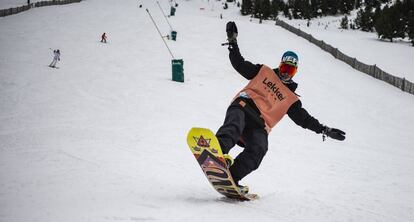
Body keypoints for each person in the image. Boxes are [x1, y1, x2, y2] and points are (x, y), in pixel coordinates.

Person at [216, 22, 346, 194]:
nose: (285, 73)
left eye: (290, 70)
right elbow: (239, 64)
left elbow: (304, 119)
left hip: (260, 124)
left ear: (295, 72)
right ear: (280, 65)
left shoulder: (291, 99)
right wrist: (233, 42)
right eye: (284, 68)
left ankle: (232, 176)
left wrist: (324, 129)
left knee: (260, 148)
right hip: (244, 105)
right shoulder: (264, 72)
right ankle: (217, 152)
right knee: (235, 124)